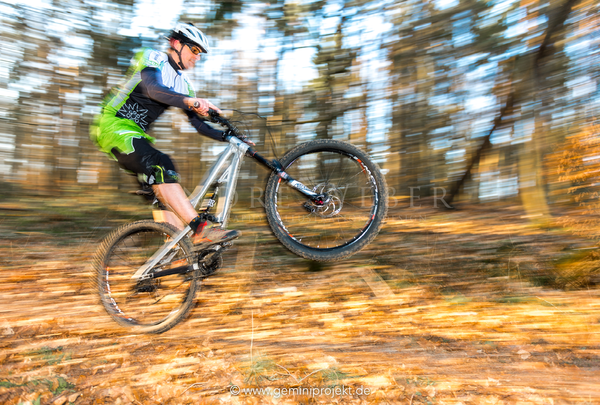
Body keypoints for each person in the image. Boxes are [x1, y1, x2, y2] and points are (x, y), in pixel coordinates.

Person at [90, 22, 241, 248]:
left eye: (201, 53)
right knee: (160, 164)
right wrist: (191, 101)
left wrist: (230, 138)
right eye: (195, 50)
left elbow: (198, 125)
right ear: (176, 44)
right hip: (112, 125)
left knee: (166, 184)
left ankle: (174, 257)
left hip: (134, 136)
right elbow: (153, 89)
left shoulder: (184, 85)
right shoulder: (152, 58)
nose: (197, 57)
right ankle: (201, 229)